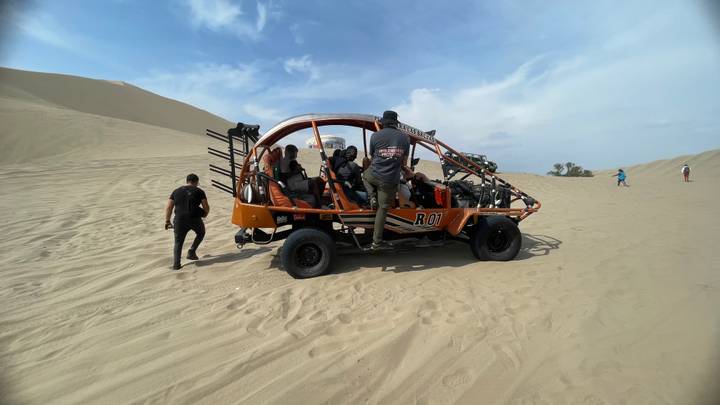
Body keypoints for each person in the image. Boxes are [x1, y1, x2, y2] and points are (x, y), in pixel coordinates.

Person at [363, 110, 410, 250]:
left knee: (364, 175)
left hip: (374, 174)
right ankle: (376, 242)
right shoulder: (405, 138)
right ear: (396, 123)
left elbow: (373, 157)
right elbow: (404, 163)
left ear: (383, 123)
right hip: (389, 181)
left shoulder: (375, 136)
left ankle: (372, 197)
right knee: (382, 209)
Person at [165, 173, 209, 270]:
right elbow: (206, 206)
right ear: (196, 182)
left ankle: (176, 265)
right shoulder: (199, 191)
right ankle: (192, 251)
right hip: (194, 218)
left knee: (178, 242)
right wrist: (205, 214)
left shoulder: (176, 191)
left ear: (187, 181)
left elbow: (169, 207)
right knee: (201, 233)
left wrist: (167, 221)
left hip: (179, 220)